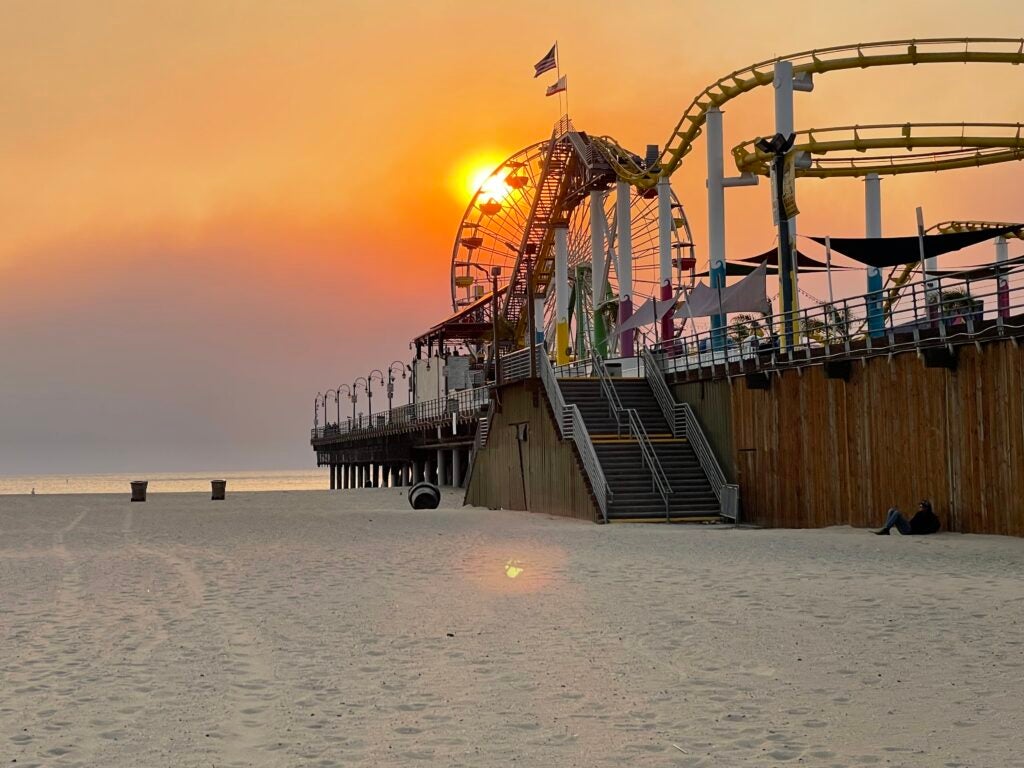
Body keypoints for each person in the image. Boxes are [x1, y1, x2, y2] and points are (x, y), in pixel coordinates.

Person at [874, 500, 940, 535]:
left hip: (910, 530)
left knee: (897, 513)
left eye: (922, 507)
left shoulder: (931, 517)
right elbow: (912, 521)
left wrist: (923, 532)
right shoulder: (919, 513)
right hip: (909, 527)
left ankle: (886, 529)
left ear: (926, 508)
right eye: (920, 507)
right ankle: (886, 528)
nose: (920, 508)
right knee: (891, 510)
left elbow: (936, 526)